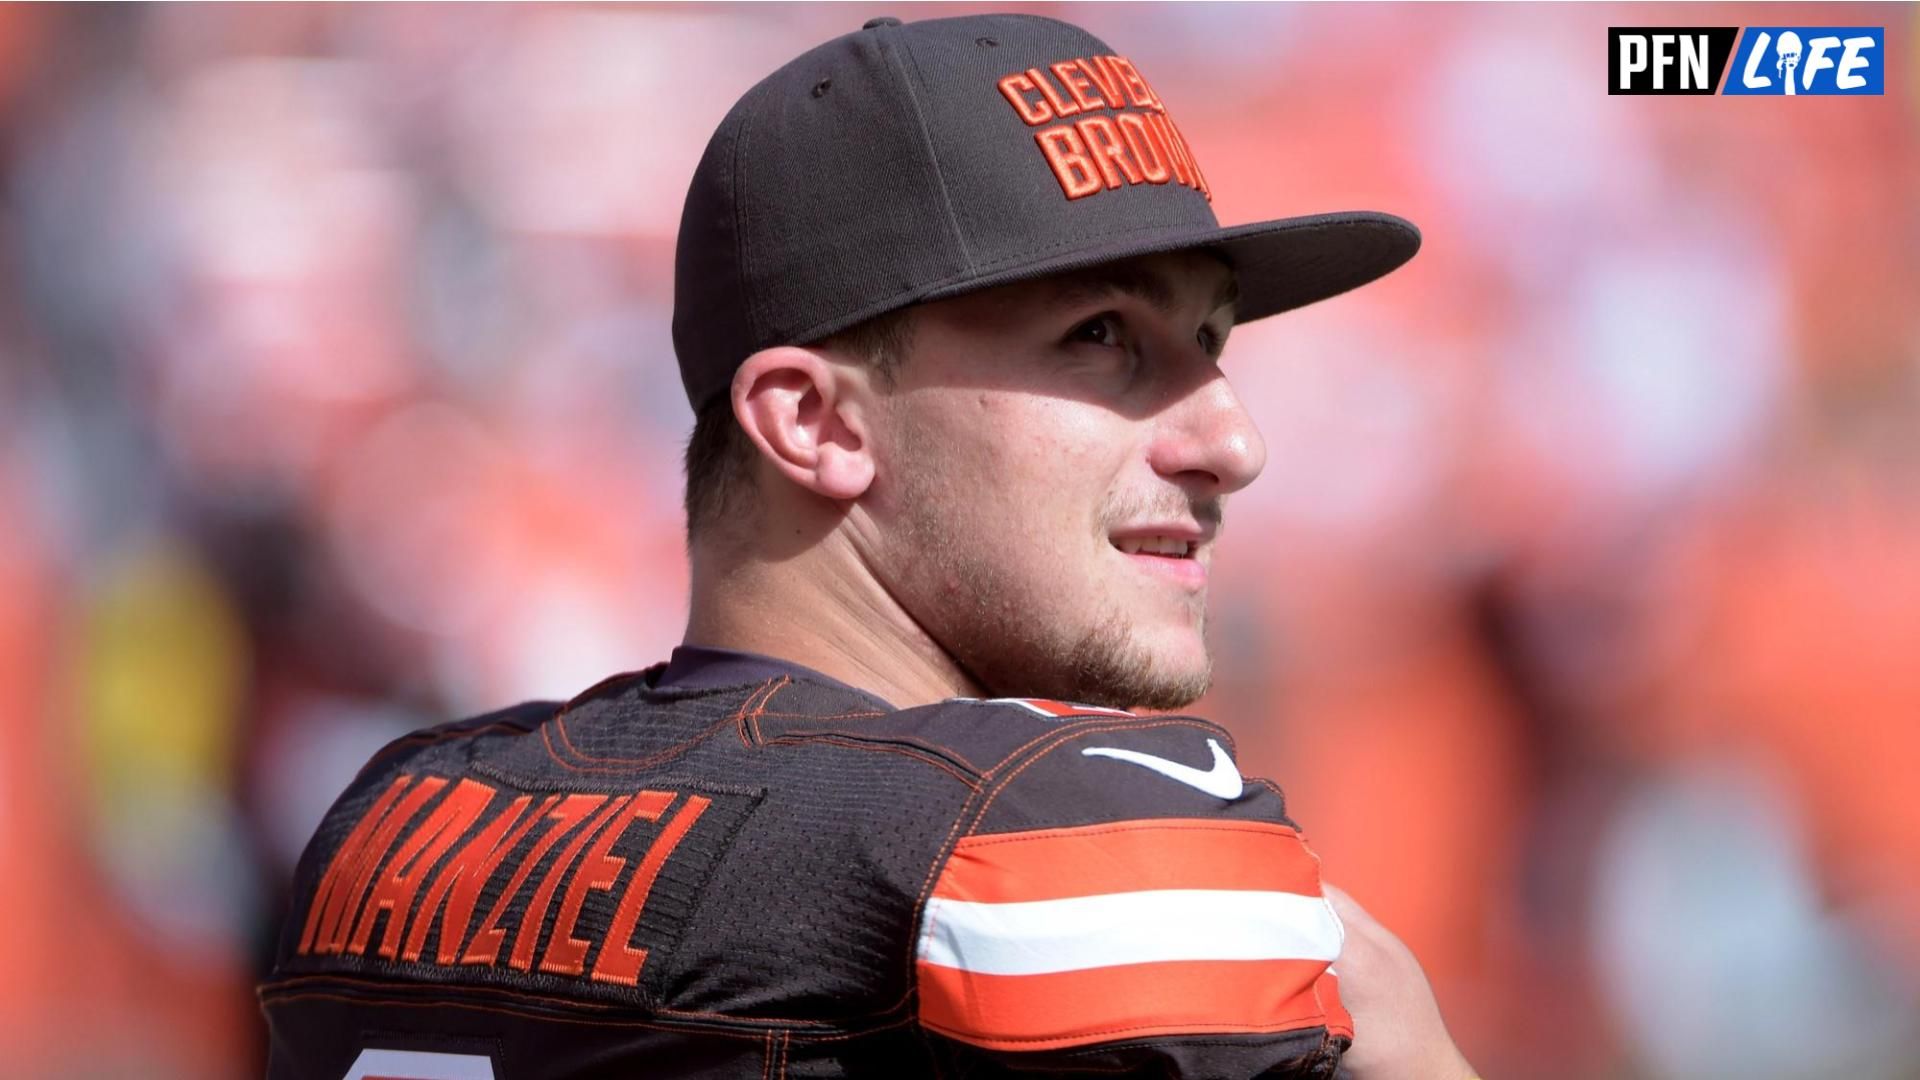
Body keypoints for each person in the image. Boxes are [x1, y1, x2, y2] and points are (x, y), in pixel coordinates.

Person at [261, 13, 1476, 1079]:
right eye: (1102, 336)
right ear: (814, 421)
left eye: (1213, 341)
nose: (1234, 438)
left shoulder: (399, 813)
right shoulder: (1039, 830)